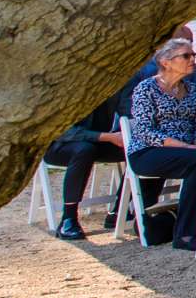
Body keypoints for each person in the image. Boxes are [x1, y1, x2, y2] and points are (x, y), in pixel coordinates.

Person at [126, 40, 196, 252]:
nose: (193, 60)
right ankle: (186, 234)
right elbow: (144, 131)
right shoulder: (146, 89)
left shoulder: (191, 89)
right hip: (148, 151)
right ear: (166, 62)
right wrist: (182, 146)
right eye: (186, 56)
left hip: (186, 151)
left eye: (193, 54)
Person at [46, 78, 133, 240]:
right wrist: (107, 136)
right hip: (60, 145)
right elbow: (62, 132)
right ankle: (68, 219)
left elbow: (127, 112)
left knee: (140, 148)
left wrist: (126, 133)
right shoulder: (67, 84)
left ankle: (119, 210)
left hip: (100, 142)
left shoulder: (118, 79)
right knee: (84, 149)